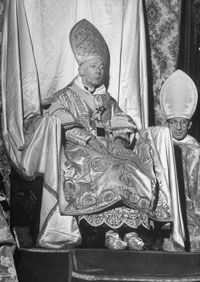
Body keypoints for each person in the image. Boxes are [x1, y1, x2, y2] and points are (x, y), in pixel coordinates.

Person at [36, 19, 185, 250]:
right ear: (81, 69)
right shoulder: (64, 96)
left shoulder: (107, 99)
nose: (99, 71)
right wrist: (89, 140)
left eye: (102, 67)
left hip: (109, 148)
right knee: (109, 168)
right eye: (95, 66)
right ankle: (110, 231)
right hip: (80, 149)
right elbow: (60, 120)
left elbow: (123, 121)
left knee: (133, 167)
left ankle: (131, 230)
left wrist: (118, 139)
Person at [160, 69, 200, 252]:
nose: (178, 127)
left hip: (190, 208)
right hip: (165, 203)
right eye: (173, 122)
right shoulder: (160, 143)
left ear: (189, 124)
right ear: (166, 123)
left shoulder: (195, 149)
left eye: (182, 122)